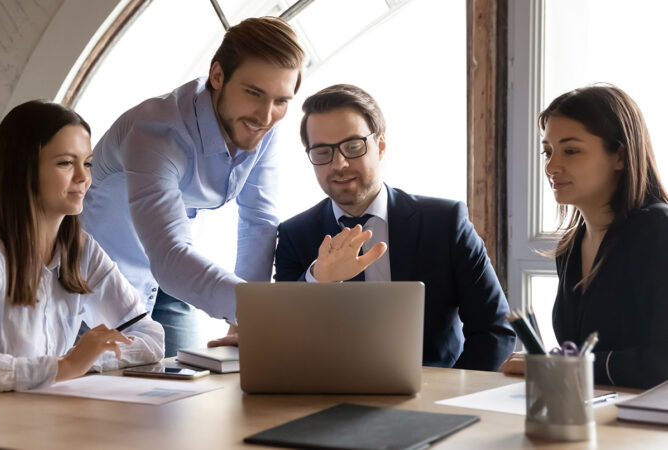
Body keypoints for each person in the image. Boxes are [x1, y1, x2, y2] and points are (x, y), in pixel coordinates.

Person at [80, 17, 304, 356]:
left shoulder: (263, 125)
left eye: (281, 101)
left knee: (186, 393)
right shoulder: (155, 132)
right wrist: (259, 311)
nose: (266, 115)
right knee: (95, 400)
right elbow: (169, 254)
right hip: (95, 281)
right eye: (253, 93)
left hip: (171, 276)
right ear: (217, 76)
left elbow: (258, 222)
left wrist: (245, 317)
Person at [274, 84, 515, 370]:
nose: (339, 164)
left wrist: (447, 399)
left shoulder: (446, 222)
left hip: (436, 398)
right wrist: (318, 279)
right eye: (322, 151)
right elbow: (283, 340)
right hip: (332, 402)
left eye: (353, 147)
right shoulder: (294, 235)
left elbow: (494, 330)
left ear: (381, 146)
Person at [0, 101, 164, 394]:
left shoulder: (83, 252)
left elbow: (150, 337)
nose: (83, 178)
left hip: (49, 419)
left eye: (87, 163)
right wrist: (64, 367)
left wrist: (87, 360)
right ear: (23, 169)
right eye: (65, 163)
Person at [500, 85, 668, 389]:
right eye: (548, 151)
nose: (551, 166)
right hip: (590, 413)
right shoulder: (571, 245)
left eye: (571, 150)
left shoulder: (658, 229)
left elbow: (660, 362)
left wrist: (556, 366)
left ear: (620, 156)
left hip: (648, 427)